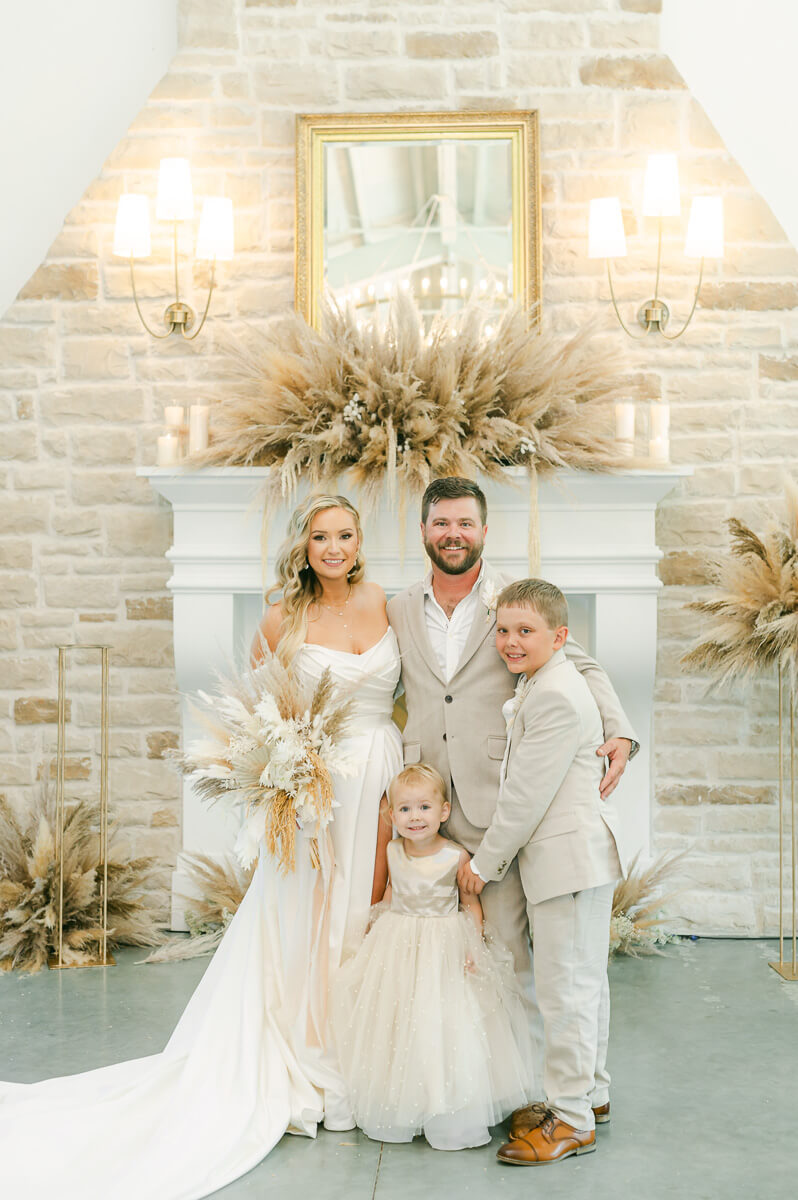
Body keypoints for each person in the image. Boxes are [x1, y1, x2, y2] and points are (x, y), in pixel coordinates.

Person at [0, 494, 403, 1200]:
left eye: (344, 535)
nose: (333, 548)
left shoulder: (386, 603)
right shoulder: (282, 617)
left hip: (385, 774)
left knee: (371, 909)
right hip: (316, 792)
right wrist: (286, 777)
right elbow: (259, 715)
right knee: (309, 917)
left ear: (359, 541)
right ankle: (308, 1048)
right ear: (303, 545)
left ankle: (367, 1050)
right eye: (319, 537)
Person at [386, 477, 638, 1014]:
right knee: (440, 955)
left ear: (483, 531)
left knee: (502, 953)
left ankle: (522, 1088)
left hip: (494, 804)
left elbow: (581, 662)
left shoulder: (512, 602)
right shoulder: (399, 608)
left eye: (465, 523)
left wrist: (618, 729)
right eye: (441, 523)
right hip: (424, 801)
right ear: (423, 531)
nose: (453, 534)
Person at [460, 579, 629, 1165]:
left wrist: (483, 864)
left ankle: (572, 1119)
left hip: (569, 862)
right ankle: (592, 1094)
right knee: (585, 985)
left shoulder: (556, 695)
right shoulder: (544, 680)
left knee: (566, 992)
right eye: (503, 631)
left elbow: (525, 798)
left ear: (559, 637)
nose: (509, 642)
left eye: (525, 632)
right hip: (571, 860)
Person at [331, 763, 536, 1151]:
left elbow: (470, 904)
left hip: (442, 943)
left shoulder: (456, 856)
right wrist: (374, 928)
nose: (414, 817)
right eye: (404, 809)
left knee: (442, 1020)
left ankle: (445, 1107)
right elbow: (392, 893)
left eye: (424, 808)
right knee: (400, 1018)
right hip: (399, 940)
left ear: (443, 812)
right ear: (392, 815)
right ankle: (402, 1101)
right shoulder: (392, 850)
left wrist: (472, 946)